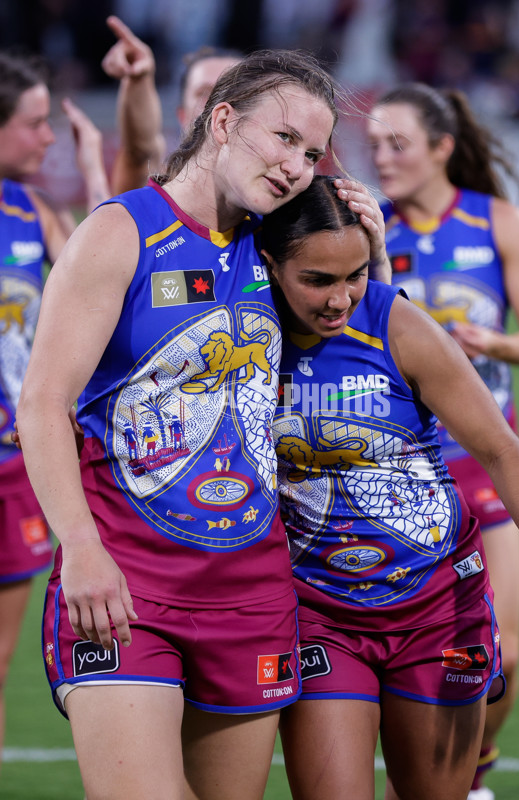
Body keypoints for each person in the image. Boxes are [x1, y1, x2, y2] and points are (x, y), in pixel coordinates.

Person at [16, 50, 387, 800]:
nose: (295, 166)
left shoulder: (281, 245)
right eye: (283, 138)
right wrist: (81, 547)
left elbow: (359, 370)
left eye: (311, 153)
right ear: (223, 121)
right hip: (125, 582)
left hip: (251, 588)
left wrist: (372, 266)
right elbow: (42, 404)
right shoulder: (120, 234)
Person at [261, 175, 519, 800]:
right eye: (318, 281)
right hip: (320, 610)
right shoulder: (247, 337)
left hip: (438, 607)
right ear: (271, 264)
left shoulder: (396, 323)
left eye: (357, 274)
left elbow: (501, 449)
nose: (340, 299)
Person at [365, 83, 519, 800]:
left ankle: (471, 771)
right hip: (393, 474)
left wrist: (493, 342)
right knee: (389, 650)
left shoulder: (498, 223)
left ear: (442, 148)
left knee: (499, 653)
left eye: (398, 144)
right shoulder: (367, 230)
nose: (381, 158)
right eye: (375, 144)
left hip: (480, 462)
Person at [0, 49, 108, 775]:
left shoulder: (31, 211)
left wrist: (97, 170)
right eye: (36, 124)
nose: (47, 140)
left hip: (11, 465)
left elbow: (106, 282)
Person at [101, 15, 241, 194]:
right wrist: (138, 79)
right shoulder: (161, 187)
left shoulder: (274, 186)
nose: (218, 103)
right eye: (204, 93)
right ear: (181, 115)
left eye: (231, 90)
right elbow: (140, 151)